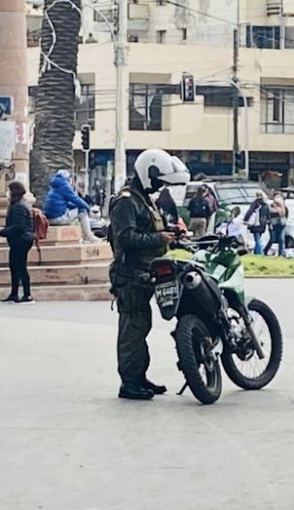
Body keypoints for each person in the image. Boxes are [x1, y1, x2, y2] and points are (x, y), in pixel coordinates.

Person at [109, 148, 190, 401]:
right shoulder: (125, 200)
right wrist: (159, 237)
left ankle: (139, 377)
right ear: (147, 174)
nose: (158, 187)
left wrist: (171, 236)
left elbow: (150, 230)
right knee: (133, 328)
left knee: (141, 325)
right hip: (129, 274)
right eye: (157, 181)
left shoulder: (143, 199)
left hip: (145, 273)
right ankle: (130, 383)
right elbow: (126, 237)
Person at [0, 181, 36, 304]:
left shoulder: (18, 206)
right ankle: (15, 294)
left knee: (20, 267)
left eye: (8, 191)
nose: (7, 193)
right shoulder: (21, 204)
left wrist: (1, 231)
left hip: (21, 240)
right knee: (15, 266)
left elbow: (18, 227)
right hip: (21, 240)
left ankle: (27, 294)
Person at [43, 169, 101, 243]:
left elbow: (66, 203)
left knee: (76, 210)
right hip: (57, 218)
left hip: (49, 219)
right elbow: (76, 199)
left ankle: (78, 237)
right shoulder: (64, 185)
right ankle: (88, 236)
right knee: (82, 210)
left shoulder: (54, 186)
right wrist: (89, 209)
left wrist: (75, 206)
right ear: (68, 178)